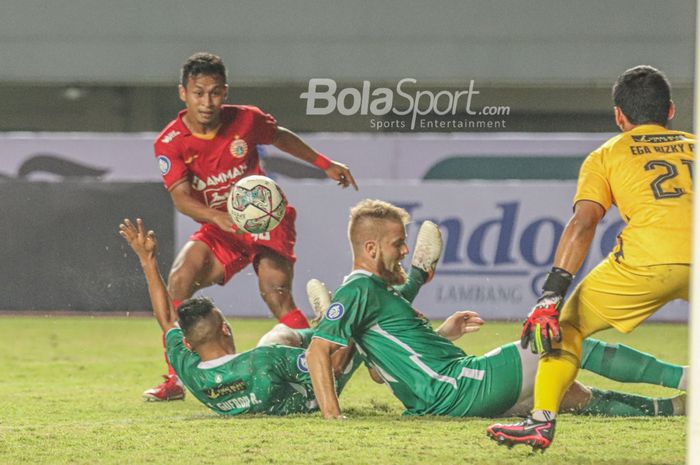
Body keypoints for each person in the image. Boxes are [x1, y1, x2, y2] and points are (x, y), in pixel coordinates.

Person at [305, 199, 686, 421]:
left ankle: (668, 409)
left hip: (444, 396)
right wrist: (333, 418)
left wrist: (445, 333)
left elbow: (381, 373)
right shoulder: (358, 289)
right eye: (397, 244)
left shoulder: (374, 293)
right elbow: (317, 351)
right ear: (370, 249)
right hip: (461, 386)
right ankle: (687, 378)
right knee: (564, 337)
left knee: (568, 393)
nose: (404, 250)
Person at [487, 65, 693, 451]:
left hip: (647, 261)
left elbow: (584, 223)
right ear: (670, 111)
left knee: (565, 329)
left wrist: (551, 294)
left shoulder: (607, 154)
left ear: (619, 116)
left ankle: (540, 420)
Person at [147, 52, 358, 401]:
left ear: (225, 92)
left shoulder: (246, 120)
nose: (207, 101)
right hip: (219, 224)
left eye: (215, 92)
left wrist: (324, 163)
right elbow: (181, 198)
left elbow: (280, 136)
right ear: (183, 93)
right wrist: (217, 218)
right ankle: (176, 379)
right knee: (180, 279)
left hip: (264, 219)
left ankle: (315, 367)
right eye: (199, 92)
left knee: (274, 292)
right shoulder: (170, 143)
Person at [119, 217, 358, 415]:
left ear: (187, 343)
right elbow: (331, 368)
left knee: (279, 335)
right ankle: (330, 323)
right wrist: (342, 324)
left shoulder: (189, 369)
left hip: (266, 385)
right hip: (313, 395)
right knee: (356, 325)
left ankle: (325, 327)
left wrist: (147, 260)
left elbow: (167, 318)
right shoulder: (265, 360)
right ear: (225, 329)